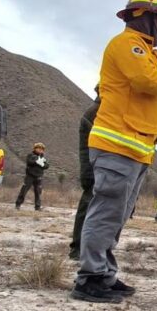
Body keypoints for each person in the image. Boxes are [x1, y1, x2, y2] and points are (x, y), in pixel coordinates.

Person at [73, 0, 157, 303]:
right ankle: (88, 279)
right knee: (105, 214)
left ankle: (103, 274)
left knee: (115, 216)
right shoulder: (127, 44)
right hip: (117, 145)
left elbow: (155, 92)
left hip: (134, 149)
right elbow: (146, 81)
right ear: (144, 16)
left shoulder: (144, 52)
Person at [69, 91, 100, 259]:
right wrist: (88, 171)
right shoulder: (95, 113)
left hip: (100, 167)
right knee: (88, 206)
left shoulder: (105, 111)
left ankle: (88, 248)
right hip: (93, 168)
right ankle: (77, 248)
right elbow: (86, 148)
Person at [15, 143, 50, 211]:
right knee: (24, 190)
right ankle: (18, 204)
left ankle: (37, 207)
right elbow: (29, 162)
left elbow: (47, 166)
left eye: (42, 149)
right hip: (30, 176)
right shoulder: (30, 155)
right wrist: (36, 161)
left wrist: (42, 163)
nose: (40, 150)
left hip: (39, 177)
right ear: (35, 148)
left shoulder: (43, 158)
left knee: (38, 192)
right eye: (39, 148)